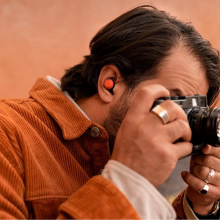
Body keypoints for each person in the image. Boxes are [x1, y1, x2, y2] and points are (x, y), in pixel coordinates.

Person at [0, 5, 220, 219]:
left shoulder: (133, 152)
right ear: (110, 83)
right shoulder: (8, 133)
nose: (180, 121)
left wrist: (196, 208)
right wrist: (128, 180)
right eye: (174, 101)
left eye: (191, 109)